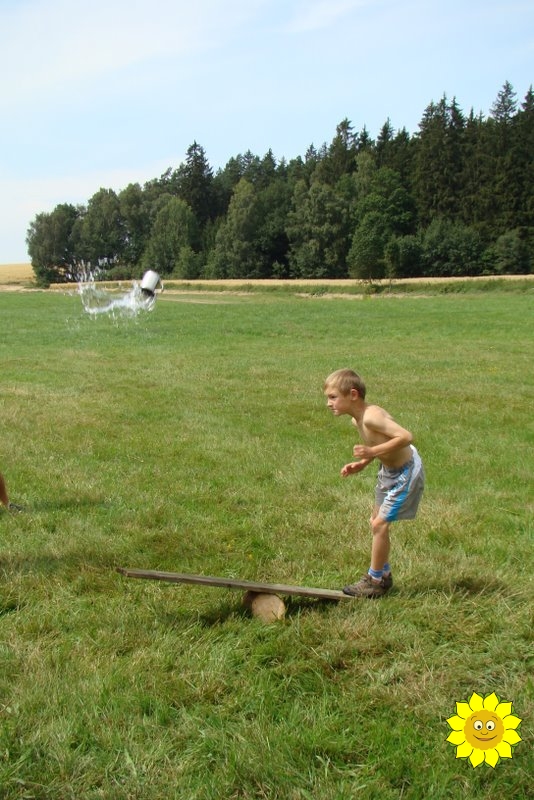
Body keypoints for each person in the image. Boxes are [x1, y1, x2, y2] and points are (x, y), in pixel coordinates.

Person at [324, 368, 424, 598]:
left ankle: (374, 580)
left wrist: (372, 452)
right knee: (375, 521)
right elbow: (377, 442)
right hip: (388, 470)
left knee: (380, 524)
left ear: (353, 395)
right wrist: (362, 463)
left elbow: (406, 437)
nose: (328, 403)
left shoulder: (372, 416)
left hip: (406, 471)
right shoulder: (357, 420)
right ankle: (384, 575)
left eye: (333, 397)